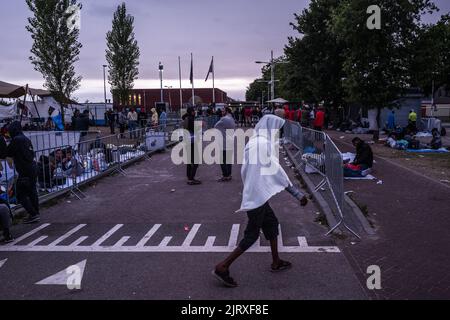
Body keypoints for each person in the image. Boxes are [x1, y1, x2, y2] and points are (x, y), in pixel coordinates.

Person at [213, 115, 309, 288]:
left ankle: (276, 261)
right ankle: (223, 266)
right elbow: (277, 171)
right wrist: (297, 194)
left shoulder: (254, 141)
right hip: (256, 198)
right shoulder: (264, 145)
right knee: (251, 235)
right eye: (278, 129)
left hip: (255, 194)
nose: (279, 132)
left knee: (271, 224)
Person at [0, 121, 40, 224]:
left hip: (25, 171)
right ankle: (35, 213)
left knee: (19, 194)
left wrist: (3, 141)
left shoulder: (16, 140)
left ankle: (33, 213)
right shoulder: (25, 138)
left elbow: (6, 153)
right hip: (32, 168)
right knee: (32, 192)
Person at [214, 107, 236, 182]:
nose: (221, 112)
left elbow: (215, 126)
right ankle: (229, 174)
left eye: (223, 111)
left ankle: (225, 175)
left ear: (226, 111)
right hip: (230, 141)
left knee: (222, 160)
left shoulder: (224, 119)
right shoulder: (232, 119)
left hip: (223, 142)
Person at [183, 107, 201, 185]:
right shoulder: (190, 119)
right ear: (191, 112)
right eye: (194, 111)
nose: (195, 112)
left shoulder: (186, 118)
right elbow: (194, 130)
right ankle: (191, 179)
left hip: (187, 141)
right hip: (192, 142)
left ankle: (189, 176)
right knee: (196, 161)